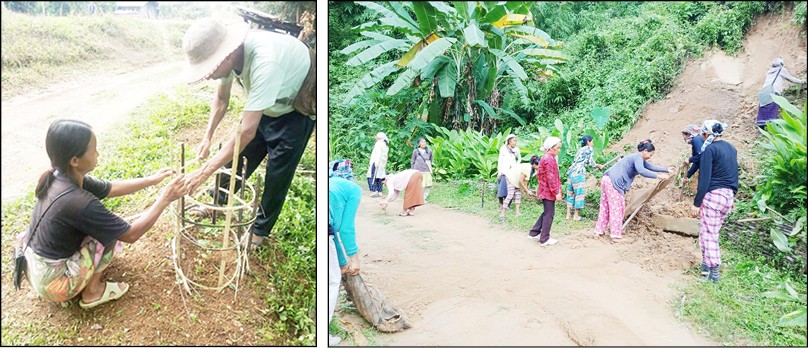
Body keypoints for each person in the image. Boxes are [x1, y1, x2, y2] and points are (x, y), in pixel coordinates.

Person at [19, 120, 187, 308]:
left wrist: (151, 180)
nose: (97, 153)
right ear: (75, 160)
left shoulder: (61, 177)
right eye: (94, 149)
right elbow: (131, 234)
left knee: (106, 225)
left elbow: (110, 188)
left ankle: (81, 277)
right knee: (108, 233)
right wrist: (165, 198)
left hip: (34, 267)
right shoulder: (79, 202)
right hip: (53, 284)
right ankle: (92, 292)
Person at [181, 18, 315, 250]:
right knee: (238, 159)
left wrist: (203, 171)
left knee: (277, 174)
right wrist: (207, 136)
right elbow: (222, 100)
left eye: (210, 68)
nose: (208, 75)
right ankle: (217, 201)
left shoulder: (265, 62)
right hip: (265, 103)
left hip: (295, 109)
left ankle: (259, 231)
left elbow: (246, 132)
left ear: (227, 55)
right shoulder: (229, 58)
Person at [595, 139, 674, 242]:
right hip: (614, 182)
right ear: (645, 151)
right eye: (650, 154)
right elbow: (642, 171)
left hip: (606, 179)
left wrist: (667, 170)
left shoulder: (636, 157)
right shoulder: (638, 157)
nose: (650, 157)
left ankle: (599, 231)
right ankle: (615, 235)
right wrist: (658, 176)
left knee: (605, 206)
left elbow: (651, 167)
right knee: (617, 208)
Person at [691, 120, 738, 283]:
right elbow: (734, 174)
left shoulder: (709, 150)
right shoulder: (731, 148)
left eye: (703, 135)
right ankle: (706, 267)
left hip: (713, 196)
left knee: (709, 234)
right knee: (711, 232)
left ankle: (713, 275)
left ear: (707, 134)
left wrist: (696, 203)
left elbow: (704, 179)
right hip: (728, 195)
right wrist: (733, 196)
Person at [328, 173, 362, 346]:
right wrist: (354, 259)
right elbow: (346, 228)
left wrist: (342, 262)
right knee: (332, 282)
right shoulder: (355, 190)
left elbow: (332, 231)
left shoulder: (331, 184)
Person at [529, 137, 563, 246]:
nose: (559, 150)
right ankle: (544, 239)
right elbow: (551, 177)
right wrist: (556, 192)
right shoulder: (549, 159)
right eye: (557, 148)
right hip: (548, 191)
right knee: (549, 214)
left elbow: (541, 175)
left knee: (546, 212)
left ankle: (534, 232)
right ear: (551, 148)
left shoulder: (548, 157)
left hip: (545, 189)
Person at [756, 58, 805, 130]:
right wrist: (802, 81)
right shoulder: (781, 70)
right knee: (773, 109)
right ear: (781, 64)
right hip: (773, 91)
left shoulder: (769, 72)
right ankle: (774, 129)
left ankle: (761, 129)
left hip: (764, 92)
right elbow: (791, 79)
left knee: (763, 109)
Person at [565, 135, 604, 221]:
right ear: (588, 142)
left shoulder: (580, 150)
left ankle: (568, 215)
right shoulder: (589, 149)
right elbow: (590, 162)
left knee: (570, 193)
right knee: (579, 193)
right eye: (592, 141)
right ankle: (576, 216)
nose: (593, 144)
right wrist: (598, 165)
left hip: (571, 172)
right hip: (579, 173)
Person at [497, 134, 521, 207]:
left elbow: (519, 158)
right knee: (501, 189)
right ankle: (501, 204)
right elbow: (500, 160)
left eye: (516, 141)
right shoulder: (503, 149)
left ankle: (508, 205)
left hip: (512, 172)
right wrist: (499, 171)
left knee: (510, 190)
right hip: (504, 171)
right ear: (509, 141)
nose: (515, 142)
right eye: (514, 141)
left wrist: (516, 165)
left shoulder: (516, 149)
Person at [410, 138, 433, 202]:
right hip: (418, 171)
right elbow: (412, 161)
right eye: (422, 142)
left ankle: (424, 197)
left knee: (428, 184)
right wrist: (412, 170)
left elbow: (430, 160)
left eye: (425, 142)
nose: (424, 143)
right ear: (419, 143)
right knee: (420, 185)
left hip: (427, 170)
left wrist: (430, 169)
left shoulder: (429, 151)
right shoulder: (415, 151)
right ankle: (418, 197)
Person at [367, 132, 389, 198]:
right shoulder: (385, 144)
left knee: (372, 176)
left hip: (376, 162)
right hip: (382, 164)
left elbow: (378, 154)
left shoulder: (378, 144)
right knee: (379, 177)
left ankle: (374, 190)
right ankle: (380, 191)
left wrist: (376, 162)